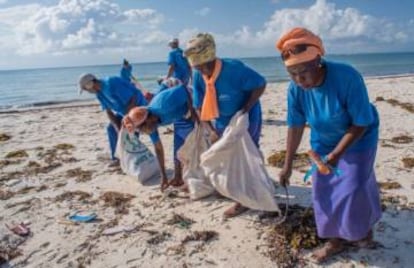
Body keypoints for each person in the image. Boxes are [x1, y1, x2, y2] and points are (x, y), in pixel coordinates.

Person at [275, 27, 381, 263]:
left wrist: (337, 154)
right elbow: (295, 126)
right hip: (322, 141)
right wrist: (287, 165)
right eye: (292, 73)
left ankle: (361, 229)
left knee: (353, 186)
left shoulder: (347, 77)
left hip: (359, 137)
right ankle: (334, 240)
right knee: (323, 190)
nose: (298, 80)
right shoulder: (296, 89)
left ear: (318, 61)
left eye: (303, 72)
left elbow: (361, 122)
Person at [184, 33, 266, 218]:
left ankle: (243, 201)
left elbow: (260, 84)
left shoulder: (234, 69)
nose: (198, 70)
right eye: (195, 67)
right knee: (227, 155)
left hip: (245, 117)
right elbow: (198, 106)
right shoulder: (198, 76)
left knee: (246, 153)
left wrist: (244, 109)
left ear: (210, 59)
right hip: (220, 119)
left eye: (200, 66)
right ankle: (243, 187)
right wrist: (211, 130)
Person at [122, 82, 197, 191]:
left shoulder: (163, 105)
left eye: (142, 128)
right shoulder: (151, 125)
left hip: (193, 99)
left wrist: (194, 114)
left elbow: (185, 90)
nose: (144, 132)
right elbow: (158, 148)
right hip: (180, 116)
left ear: (148, 119)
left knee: (199, 142)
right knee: (179, 149)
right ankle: (178, 177)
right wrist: (164, 176)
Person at [77, 73, 155, 167]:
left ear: (90, 84)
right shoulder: (99, 94)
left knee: (130, 132)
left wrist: (127, 120)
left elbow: (132, 99)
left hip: (137, 108)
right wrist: (117, 127)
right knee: (111, 128)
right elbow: (108, 112)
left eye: (85, 89)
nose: (87, 91)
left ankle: (134, 158)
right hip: (123, 111)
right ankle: (117, 159)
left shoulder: (111, 83)